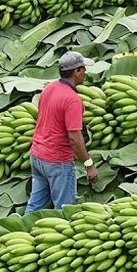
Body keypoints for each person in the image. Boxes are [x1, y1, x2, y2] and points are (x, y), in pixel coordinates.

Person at [25, 51, 99, 214]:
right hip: (57, 162)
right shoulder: (72, 99)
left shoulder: (49, 88)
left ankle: (15, 237)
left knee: (35, 207)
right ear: (76, 72)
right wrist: (89, 165)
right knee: (64, 211)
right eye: (83, 69)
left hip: (37, 156)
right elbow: (74, 138)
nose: (85, 73)